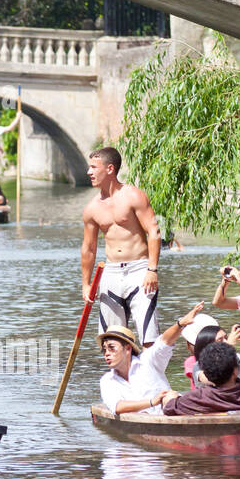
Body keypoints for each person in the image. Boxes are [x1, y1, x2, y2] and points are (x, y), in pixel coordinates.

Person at [81, 146, 162, 346]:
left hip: (140, 270)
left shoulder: (133, 195)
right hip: (111, 273)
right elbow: (89, 248)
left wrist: (152, 269)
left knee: (148, 338)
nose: (89, 172)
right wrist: (86, 283)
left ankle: (150, 375)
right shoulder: (92, 208)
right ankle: (120, 377)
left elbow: (154, 231)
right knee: (112, 341)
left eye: (93, 167)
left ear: (109, 169)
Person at [98, 301, 206, 415]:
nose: (107, 353)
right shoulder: (107, 380)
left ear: (128, 349)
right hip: (141, 421)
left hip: (169, 413)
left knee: (170, 397)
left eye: (111, 348)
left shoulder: (147, 360)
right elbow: (117, 407)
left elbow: (165, 341)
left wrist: (180, 324)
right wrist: (152, 402)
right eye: (104, 349)